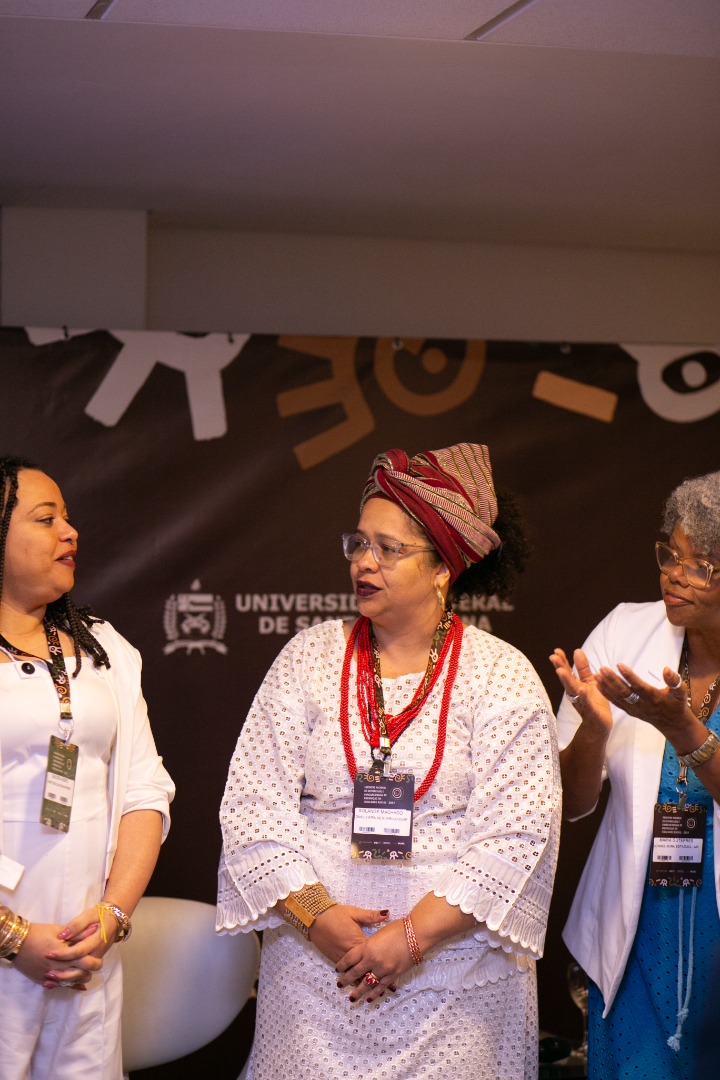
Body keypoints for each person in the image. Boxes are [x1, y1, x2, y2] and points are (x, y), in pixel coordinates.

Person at [217, 442, 561, 1080]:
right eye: (357, 544)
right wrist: (319, 919)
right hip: (315, 977)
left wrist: (408, 940)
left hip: (456, 985)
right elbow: (252, 807)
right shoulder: (308, 658)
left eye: (388, 548)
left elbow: (517, 837)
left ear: (442, 568)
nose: (363, 562)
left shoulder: (501, 675)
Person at [0, 457, 175, 1080]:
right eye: (45, 519)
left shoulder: (107, 650)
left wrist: (112, 917)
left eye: (68, 518)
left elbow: (145, 793)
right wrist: (13, 938)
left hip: (85, 958)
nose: (69, 532)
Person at [550, 470, 720, 1079]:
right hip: (635, 930)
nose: (674, 574)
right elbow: (571, 801)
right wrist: (594, 729)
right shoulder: (624, 630)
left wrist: (685, 731)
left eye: (700, 566)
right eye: (669, 555)